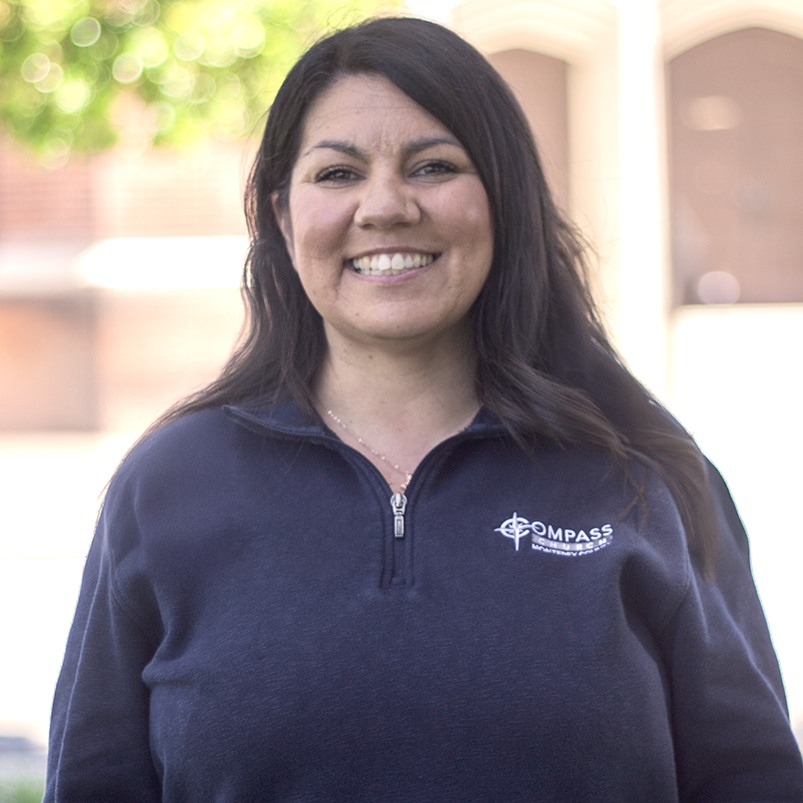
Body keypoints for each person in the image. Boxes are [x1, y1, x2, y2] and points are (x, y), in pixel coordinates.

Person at [45, 16, 803, 802]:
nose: (384, 206)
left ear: (503, 203)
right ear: (281, 215)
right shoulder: (168, 487)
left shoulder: (643, 478)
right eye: (336, 174)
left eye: (433, 165)